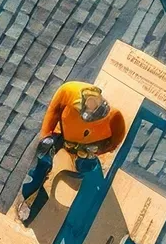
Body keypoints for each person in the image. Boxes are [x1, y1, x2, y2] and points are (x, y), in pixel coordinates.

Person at [17, 81, 126, 223]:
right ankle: (30, 196)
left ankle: (86, 206)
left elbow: (114, 141)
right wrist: (46, 134)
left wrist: (97, 151)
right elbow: (54, 109)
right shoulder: (69, 91)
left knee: (87, 170)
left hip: (86, 146)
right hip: (63, 134)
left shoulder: (114, 118)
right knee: (44, 157)